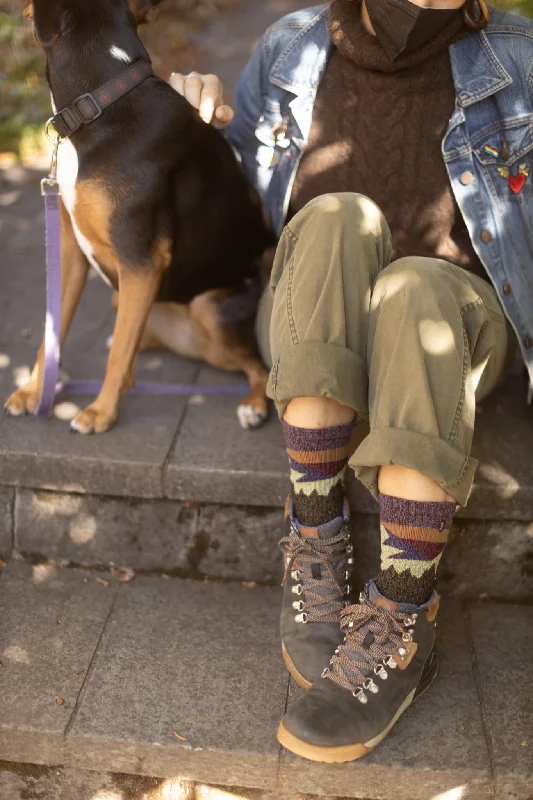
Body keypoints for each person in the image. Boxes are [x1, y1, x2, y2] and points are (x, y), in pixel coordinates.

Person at [169, 0, 533, 763]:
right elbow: (232, 210)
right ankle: (315, 533)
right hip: (314, 320)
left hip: (453, 322)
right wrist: (190, 128)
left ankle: (402, 616)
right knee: (336, 213)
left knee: (418, 285)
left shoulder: (519, 56)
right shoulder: (290, 47)